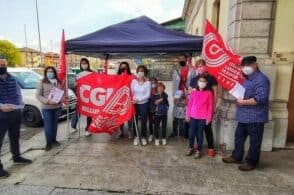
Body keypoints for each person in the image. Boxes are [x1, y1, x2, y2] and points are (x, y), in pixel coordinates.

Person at [222, 56, 270, 171]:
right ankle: (236, 156)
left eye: (247, 65)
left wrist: (242, 101)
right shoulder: (247, 78)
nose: (245, 68)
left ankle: (251, 162)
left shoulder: (261, 79)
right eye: (243, 66)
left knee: (254, 142)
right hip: (243, 116)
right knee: (239, 137)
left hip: (255, 117)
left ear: (255, 64)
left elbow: (260, 98)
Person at [0, 57, 32, 178]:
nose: (2, 66)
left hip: (15, 112)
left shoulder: (12, 78)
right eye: (0, 64)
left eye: (4, 64)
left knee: (15, 136)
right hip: (1, 114)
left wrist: (20, 106)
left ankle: (16, 156)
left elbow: (18, 94)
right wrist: (1, 107)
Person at [190, 59, 218, 157]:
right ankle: (198, 145)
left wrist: (214, 106)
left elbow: (215, 92)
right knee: (198, 129)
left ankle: (211, 148)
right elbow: (191, 92)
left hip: (207, 108)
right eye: (198, 66)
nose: (200, 68)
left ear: (205, 66)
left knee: (207, 128)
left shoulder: (211, 78)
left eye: (202, 65)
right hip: (196, 110)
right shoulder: (194, 79)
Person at [36, 66, 64, 151]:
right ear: (45, 73)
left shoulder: (58, 82)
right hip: (47, 107)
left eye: (51, 71)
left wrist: (61, 100)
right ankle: (48, 143)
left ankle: (54, 140)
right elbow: (38, 95)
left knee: (54, 125)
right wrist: (47, 101)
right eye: (48, 71)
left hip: (57, 107)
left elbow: (62, 93)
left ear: (54, 72)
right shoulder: (42, 82)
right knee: (48, 126)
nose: (50, 73)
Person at [185, 75, 213, 159]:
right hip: (193, 116)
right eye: (200, 81)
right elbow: (190, 104)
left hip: (202, 118)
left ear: (206, 83)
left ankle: (198, 150)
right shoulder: (193, 92)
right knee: (191, 134)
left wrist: (208, 118)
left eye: (203, 81)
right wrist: (188, 115)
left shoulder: (209, 93)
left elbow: (210, 106)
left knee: (200, 134)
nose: (201, 83)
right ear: (197, 82)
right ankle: (190, 147)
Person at [170, 54, 196, 137]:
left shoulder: (192, 70)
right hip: (177, 92)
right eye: (180, 58)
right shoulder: (175, 70)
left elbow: (194, 83)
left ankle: (185, 133)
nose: (181, 60)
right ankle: (174, 132)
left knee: (187, 112)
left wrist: (191, 96)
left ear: (186, 59)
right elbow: (173, 82)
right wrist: (174, 95)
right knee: (175, 112)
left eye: (183, 58)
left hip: (188, 92)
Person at [71, 58, 94, 137]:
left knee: (89, 113)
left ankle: (88, 129)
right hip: (81, 96)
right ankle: (73, 125)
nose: (84, 65)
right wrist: (75, 85)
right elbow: (75, 86)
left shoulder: (92, 73)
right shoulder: (78, 74)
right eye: (82, 63)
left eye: (85, 63)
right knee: (78, 111)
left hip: (90, 96)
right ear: (80, 65)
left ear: (88, 64)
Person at [131, 65, 151, 146]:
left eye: (142, 71)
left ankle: (143, 137)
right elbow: (131, 92)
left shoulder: (148, 83)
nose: (140, 72)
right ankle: (136, 136)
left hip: (143, 104)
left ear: (145, 72)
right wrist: (134, 99)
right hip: (135, 104)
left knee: (143, 121)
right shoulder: (134, 82)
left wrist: (138, 100)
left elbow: (148, 95)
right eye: (139, 71)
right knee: (134, 120)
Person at [116, 61, 133, 139]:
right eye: (122, 67)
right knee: (120, 116)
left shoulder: (131, 76)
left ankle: (129, 131)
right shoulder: (117, 76)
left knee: (129, 116)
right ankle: (120, 131)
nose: (123, 68)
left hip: (128, 98)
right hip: (120, 99)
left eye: (125, 67)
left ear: (127, 68)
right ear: (119, 68)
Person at [148, 77, 158, 142]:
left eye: (154, 81)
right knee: (151, 121)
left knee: (156, 121)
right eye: (151, 81)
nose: (152, 82)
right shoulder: (148, 88)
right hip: (150, 107)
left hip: (157, 107)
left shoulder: (158, 88)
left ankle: (156, 134)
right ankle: (151, 134)